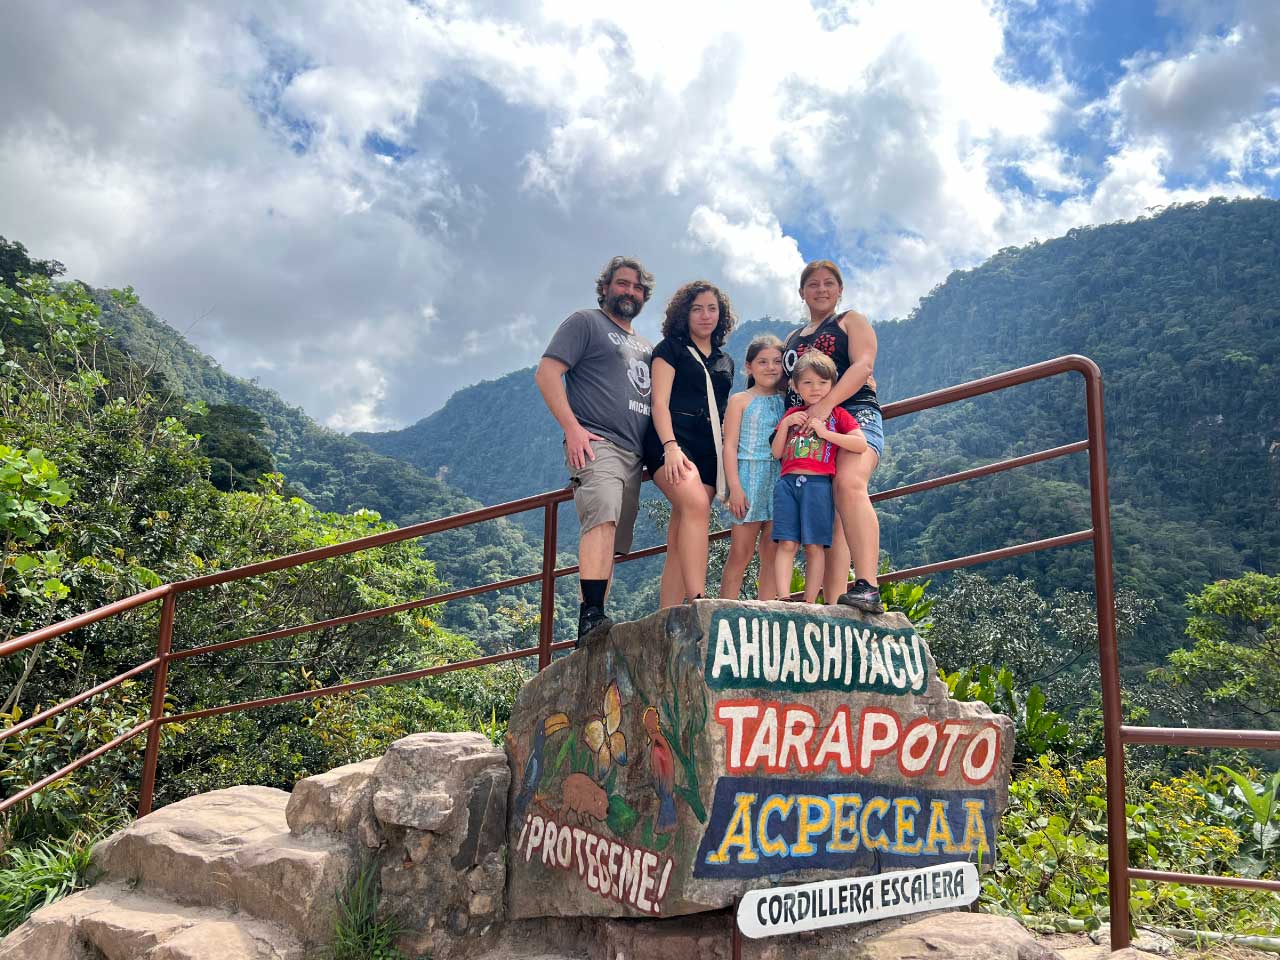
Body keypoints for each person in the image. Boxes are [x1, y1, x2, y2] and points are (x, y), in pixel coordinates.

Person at [535, 256, 655, 642]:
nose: (629, 292)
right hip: (598, 443)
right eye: (622, 284)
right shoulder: (585, 322)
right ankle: (590, 615)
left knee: (615, 535)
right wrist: (572, 429)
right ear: (605, 287)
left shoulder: (645, 346)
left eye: (637, 287)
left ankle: (598, 620)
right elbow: (547, 373)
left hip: (635, 455)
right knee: (600, 517)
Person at [781, 259, 885, 612]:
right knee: (829, 513)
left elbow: (863, 365)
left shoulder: (850, 321)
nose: (821, 289)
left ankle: (868, 585)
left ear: (840, 290)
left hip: (854, 415)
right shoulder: (791, 340)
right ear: (801, 292)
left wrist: (825, 405)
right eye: (813, 284)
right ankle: (834, 602)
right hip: (806, 433)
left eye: (829, 283)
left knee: (849, 485)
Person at [643, 281, 736, 608]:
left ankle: (667, 615)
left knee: (682, 531)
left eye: (712, 308)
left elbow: (724, 412)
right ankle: (699, 601)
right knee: (696, 505)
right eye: (697, 308)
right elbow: (659, 403)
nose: (705, 315)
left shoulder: (726, 361)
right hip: (671, 438)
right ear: (685, 313)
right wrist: (669, 446)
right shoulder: (669, 349)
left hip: (709, 447)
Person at [770, 352, 867, 604]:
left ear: (832, 385)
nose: (815, 389)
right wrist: (785, 424)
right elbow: (776, 452)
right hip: (788, 484)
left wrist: (825, 434)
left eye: (822, 383)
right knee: (787, 544)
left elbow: (860, 444)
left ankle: (810, 602)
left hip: (818, 485)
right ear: (795, 386)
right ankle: (783, 597)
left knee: (814, 547)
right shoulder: (792, 414)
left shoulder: (838, 415)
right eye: (808, 383)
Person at [719, 335, 786, 601]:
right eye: (763, 362)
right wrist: (734, 487)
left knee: (772, 550)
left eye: (777, 362)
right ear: (749, 367)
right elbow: (729, 446)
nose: (770, 367)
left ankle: (767, 609)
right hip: (748, 477)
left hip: (780, 478)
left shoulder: (787, 399)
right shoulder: (740, 400)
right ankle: (725, 610)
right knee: (740, 552)